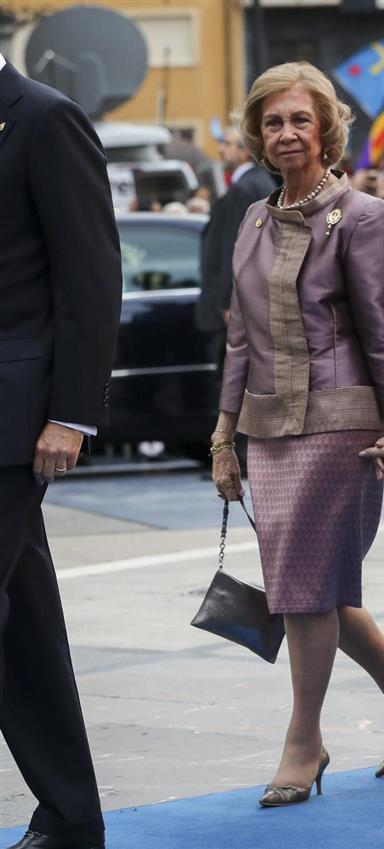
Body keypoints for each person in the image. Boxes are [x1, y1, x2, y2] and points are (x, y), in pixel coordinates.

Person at [209, 61, 384, 808]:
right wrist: (222, 435)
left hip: (342, 419)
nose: (285, 133)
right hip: (269, 425)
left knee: (305, 587)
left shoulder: (365, 215)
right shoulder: (250, 219)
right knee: (307, 586)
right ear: (258, 132)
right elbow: (239, 339)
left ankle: (303, 740)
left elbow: (383, 331)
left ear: (326, 129)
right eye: (273, 121)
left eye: (300, 120)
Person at [0, 50, 121, 849]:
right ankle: (72, 816)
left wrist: (72, 413)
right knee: (24, 627)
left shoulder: (43, 117)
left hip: (16, 414)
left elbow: (91, 272)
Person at [195, 125, 277, 399]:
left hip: (233, 311)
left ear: (244, 151)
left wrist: (228, 302)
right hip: (242, 307)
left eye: (226, 143)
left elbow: (237, 248)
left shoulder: (245, 188)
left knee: (234, 390)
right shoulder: (257, 183)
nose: (220, 149)